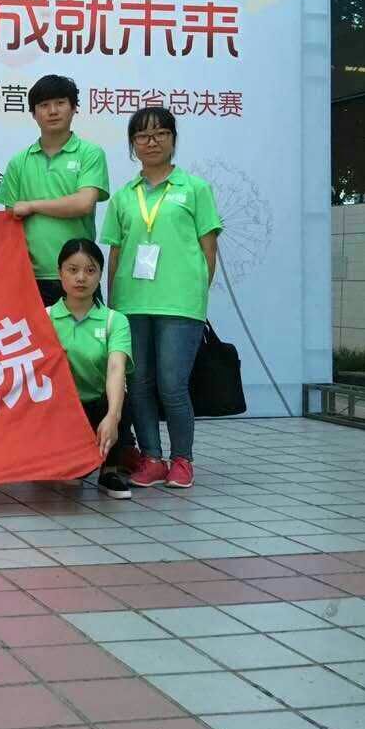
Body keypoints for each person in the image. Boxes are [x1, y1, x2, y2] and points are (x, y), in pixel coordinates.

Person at [102, 107, 223, 490]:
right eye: (142, 136)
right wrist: (113, 305)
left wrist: (196, 293)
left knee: (172, 385)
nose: (151, 142)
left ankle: (182, 459)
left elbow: (209, 248)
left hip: (179, 304)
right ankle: (152, 458)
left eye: (160, 134)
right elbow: (115, 254)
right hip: (132, 304)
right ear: (132, 145)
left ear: (173, 139)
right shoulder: (124, 196)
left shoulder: (195, 188)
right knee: (138, 384)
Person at [0, 75, 110, 306]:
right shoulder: (19, 162)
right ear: (33, 113)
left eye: (60, 103)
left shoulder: (90, 153)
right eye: (44, 105)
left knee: (86, 331)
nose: (52, 111)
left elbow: (83, 203)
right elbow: (11, 218)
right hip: (30, 278)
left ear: (74, 107)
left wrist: (32, 205)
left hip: (79, 276)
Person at [48, 239, 135, 499]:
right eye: (72, 270)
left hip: (99, 405)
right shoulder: (44, 317)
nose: (81, 278)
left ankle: (110, 470)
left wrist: (113, 417)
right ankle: (65, 460)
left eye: (90, 270)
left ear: (100, 274)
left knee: (119, 397)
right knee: (70, 483)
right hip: (62, 409)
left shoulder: (114, 320)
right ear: (59, 273)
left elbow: (116, 368)